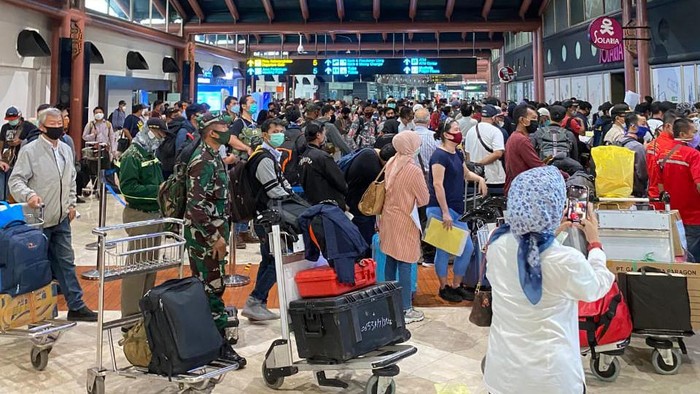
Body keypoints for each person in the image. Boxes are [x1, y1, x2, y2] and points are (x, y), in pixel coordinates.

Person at [483, 166, 614, 394]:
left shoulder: (497, 244)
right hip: (552, 377)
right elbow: (596, 287)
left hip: (503, 373)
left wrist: (553, 231)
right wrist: (595, 244)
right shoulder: (564, 260)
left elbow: (529, 254)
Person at [8, 108, 97, 321]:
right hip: (36, 221)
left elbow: (71, 180)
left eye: (60, 123)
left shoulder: (65, 149)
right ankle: (36, 309)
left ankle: (76, 305)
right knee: (36, 266)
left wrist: (72, 204)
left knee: (66, 262)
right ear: (41, 127)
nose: (58, 127)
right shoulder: (30, 151)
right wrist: (29, 195)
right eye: (53, 124)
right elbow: (16, 180)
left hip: (61, 218)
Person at [183, 113, 246, 366]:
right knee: (211, 287)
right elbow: (195, 207)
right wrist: (214, 237)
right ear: (210, 131)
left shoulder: (214, 157)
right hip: (206, 237)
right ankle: (217, 347)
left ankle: (209, 340)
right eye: (222, 126)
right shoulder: (202, 161)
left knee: (211, 286)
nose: (227, 130)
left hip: (214, 233)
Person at [427, 120, 487, 302]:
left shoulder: (458, 153)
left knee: (466, 248)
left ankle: (457, 285)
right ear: (446, 134)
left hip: (457, 207)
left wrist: (480, 179)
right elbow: (437, 184)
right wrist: (445, 212)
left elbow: (466, 173)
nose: (459, 132)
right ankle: (444, 287)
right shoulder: (439, 156)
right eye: (456, 129)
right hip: (440, 208)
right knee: (444, 250)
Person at [241, 119, 293, 322]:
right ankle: (255, 300)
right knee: (277, 259)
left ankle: (257, 303)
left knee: (269, 259)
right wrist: (291, 197)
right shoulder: (263, 159)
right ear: (265, 134)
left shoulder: (270, 156)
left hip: (266, 216)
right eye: (274, 131)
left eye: (281, 130)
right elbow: (274, 190)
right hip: (269, 217)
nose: (278, 134)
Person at [117, 118, 167, 320]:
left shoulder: (150, 154)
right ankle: (130, 316)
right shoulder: (132, 155)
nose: (161, 138)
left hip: (154, 215)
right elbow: (128, 189)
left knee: (150, 266)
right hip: (139, 215)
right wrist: (159, 191)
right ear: (150, 131)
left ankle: (145, 309)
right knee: (136, 268)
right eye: (160, 134)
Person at [378, 131, 429, 323]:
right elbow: (424, 199)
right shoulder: (413, 170)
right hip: (406, 220)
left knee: (391, 260)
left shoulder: (391, 162)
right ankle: (406, 308)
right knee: (406, 263)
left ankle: (390, 302)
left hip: (389, 218)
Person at [658, 118, 700, 261]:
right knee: (693, 257)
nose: (695, 136)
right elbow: (699, 183)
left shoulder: (662, 153)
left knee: (676, 254)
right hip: (694, 214)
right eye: (693, 132)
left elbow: (659, 183)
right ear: (683, 134)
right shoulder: (693, 154)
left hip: (672, 213)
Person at [345, 137, 397, 245]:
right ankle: (365, 257)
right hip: (361, 206)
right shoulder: (375, 170)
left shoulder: (367, 152)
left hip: (350, 198)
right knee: (364, 234)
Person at [299, 122, 348, 209]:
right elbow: (339, 181)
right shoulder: (323, 157)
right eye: (324, 133)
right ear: (318, 135)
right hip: (330, 204)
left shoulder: (303, 156)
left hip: (312, 204)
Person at [504, 104, 546, 195]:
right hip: (522, 191)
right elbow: (537, 166)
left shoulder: (514, 137)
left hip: (515, 188)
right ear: (522, 120)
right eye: (533, 118)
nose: (536, 122)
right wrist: (559, 173)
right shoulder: (522, 141)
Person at [464, 105, 506, 193]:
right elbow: (498, 153)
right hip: (494, 178)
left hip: (476, 177)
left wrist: (475, 167)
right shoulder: (495, 131)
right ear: (494, 117)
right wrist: (480, 164)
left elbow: (468, 155)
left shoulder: (470, 131)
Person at [646, 110, 680, 202]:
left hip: (656, 194)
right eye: (678, 127)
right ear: (668, 126)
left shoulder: (652, 144)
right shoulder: (672, 146)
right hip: (666, 195)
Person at [618, 113, 649, 198]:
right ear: (633, 126)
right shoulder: (637, 147)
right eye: (643, 124)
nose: (646, 127)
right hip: (635, 191)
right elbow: (643, 174)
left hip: (620, 188)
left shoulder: (618, 141)